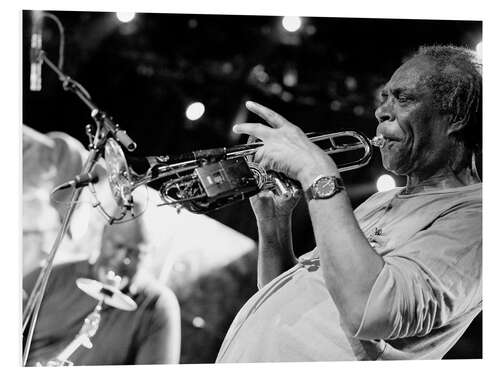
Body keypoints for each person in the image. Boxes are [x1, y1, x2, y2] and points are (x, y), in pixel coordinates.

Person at [216, 45, 482, 361]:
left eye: (403, 98)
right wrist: (274, 228)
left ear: (457, 117)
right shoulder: (381, 202)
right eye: (384, 98)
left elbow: (370, 312)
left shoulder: (479, 220)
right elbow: (306, 303)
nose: (381, 111)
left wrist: (317, 170)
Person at [23, 213, 182, 366]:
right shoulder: (51, 275)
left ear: (151, 253)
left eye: (135, 252)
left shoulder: (159, 305)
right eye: (117, 245)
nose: (122, 259)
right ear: (104, 233)